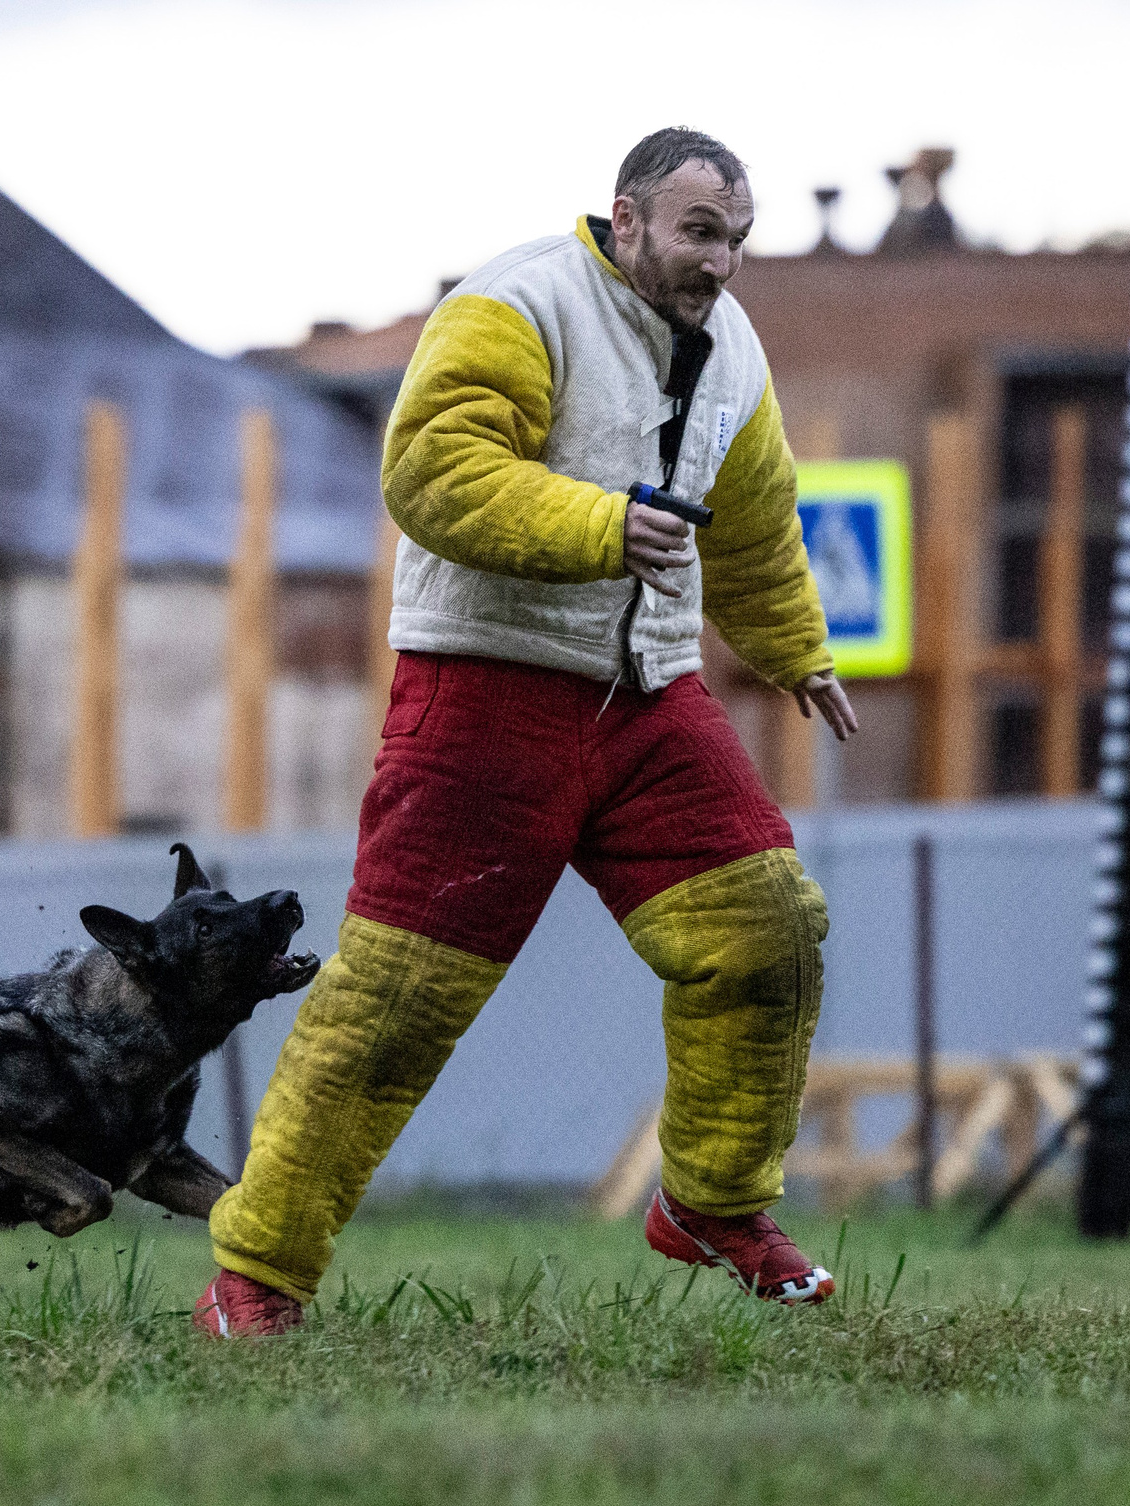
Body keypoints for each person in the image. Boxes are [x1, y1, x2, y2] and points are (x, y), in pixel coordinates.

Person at [194, 127, 857, 1338]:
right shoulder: (516, 302)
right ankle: (255, 1277)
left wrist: (797, 649)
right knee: (392, 1005)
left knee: (769, 936)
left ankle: (712, 1203)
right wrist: (600, 526)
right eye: (700, 232)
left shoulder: (736, 350)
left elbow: (755, 517)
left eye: (736, 239)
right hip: (484, 694)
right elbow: (432, 468)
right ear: (627, 216)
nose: (721, 262)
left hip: (650, 699)